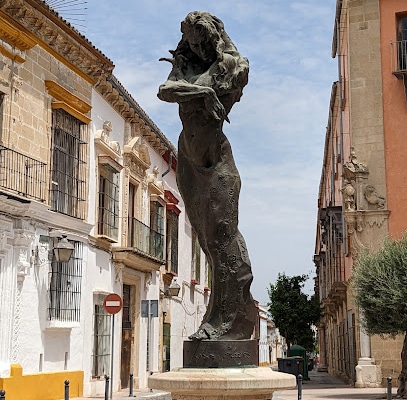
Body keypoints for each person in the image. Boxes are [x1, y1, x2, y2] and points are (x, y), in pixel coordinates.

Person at [158, 11, 257, 340]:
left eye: (203, 44)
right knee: (206, 240)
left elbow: (236, 77)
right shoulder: (185, 63)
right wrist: (202, 94)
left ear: (214, 39)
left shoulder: (231, 65)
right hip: (188, 157)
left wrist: (199, 91)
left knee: (220, 239)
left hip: (216, 162)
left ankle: (226, 317)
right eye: (192, 43)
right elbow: (165, 90)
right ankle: (225, 313)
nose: (197, 50)